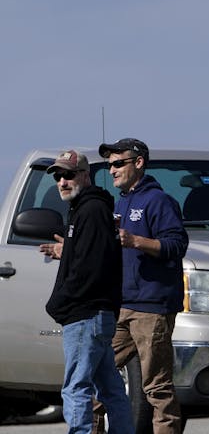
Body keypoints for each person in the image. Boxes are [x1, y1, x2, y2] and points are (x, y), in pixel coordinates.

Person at [92, 138, 189, 434]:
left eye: (118, 163)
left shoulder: (158, 201)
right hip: (122, 306)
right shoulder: (122, 201)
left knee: (157, 388)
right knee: (95, 374)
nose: (112, 170)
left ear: (138, 162)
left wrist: (136, 241)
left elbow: (177, 244)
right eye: (109, 165)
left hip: (152, 309)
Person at [40, 149, 135, 434]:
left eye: (68, 175)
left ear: (84, 175)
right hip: (95, 316)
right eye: (58, 176)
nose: (62, 182)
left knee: (76, 387)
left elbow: (90, 267)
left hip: (86, 315)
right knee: (111, 388)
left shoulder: (91, 211)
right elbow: (86, 255)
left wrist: (61, 304)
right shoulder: (87, 210)